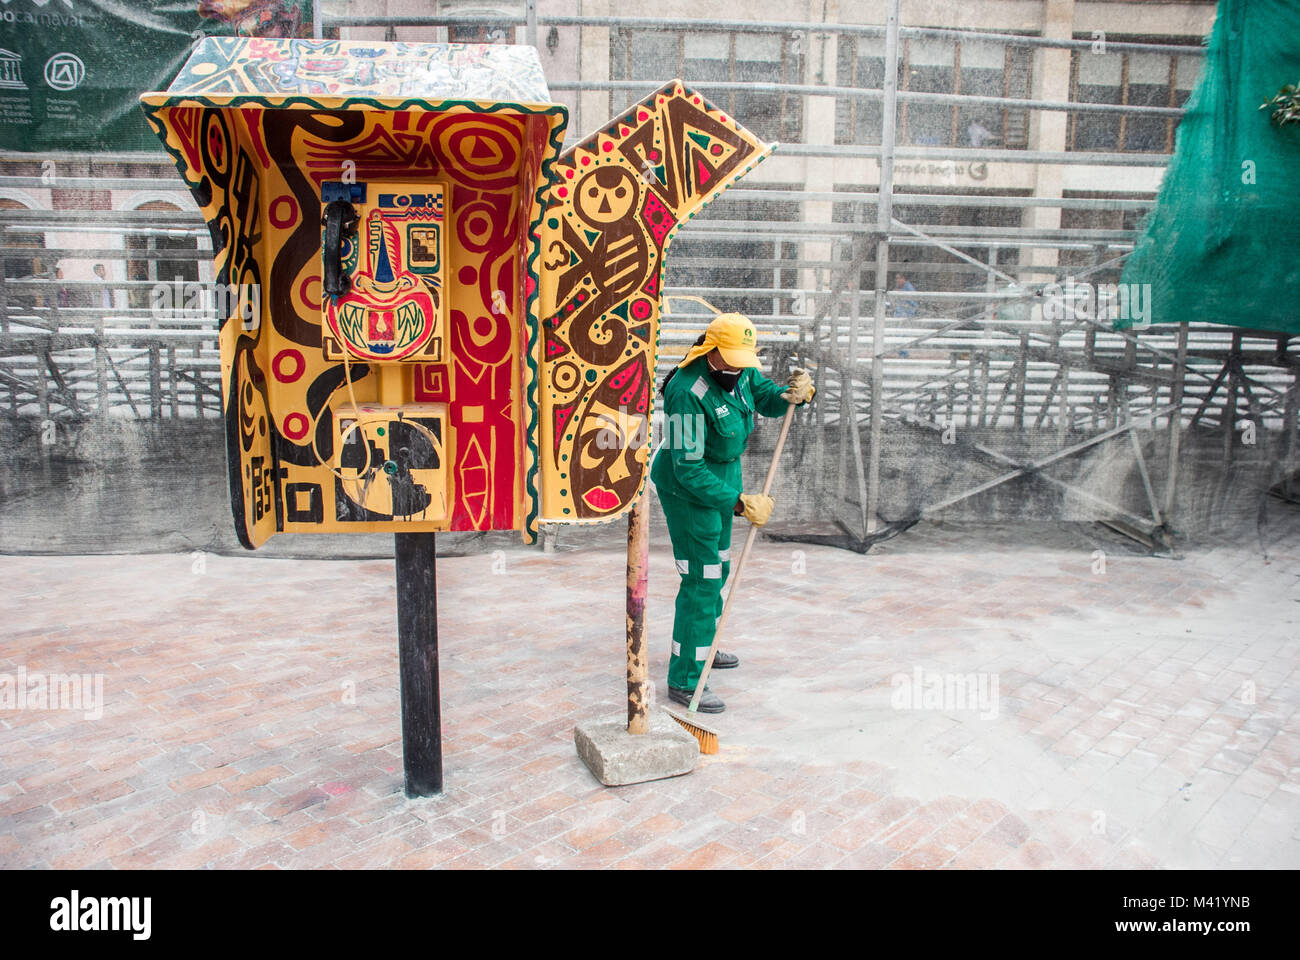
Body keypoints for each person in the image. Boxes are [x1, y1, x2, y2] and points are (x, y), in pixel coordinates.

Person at [650, 313, 815, 713]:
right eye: (733, 358)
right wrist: (740, 503)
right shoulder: (687, 392)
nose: (741, 365)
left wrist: (791, 397)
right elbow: (689, 470)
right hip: (689, 490)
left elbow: (765, 398)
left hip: (722, 477)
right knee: (702, 579)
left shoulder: (740, 370)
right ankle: (686, 679)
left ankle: (705, 643)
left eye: (745, 357)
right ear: (712, 351)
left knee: (718, 569)